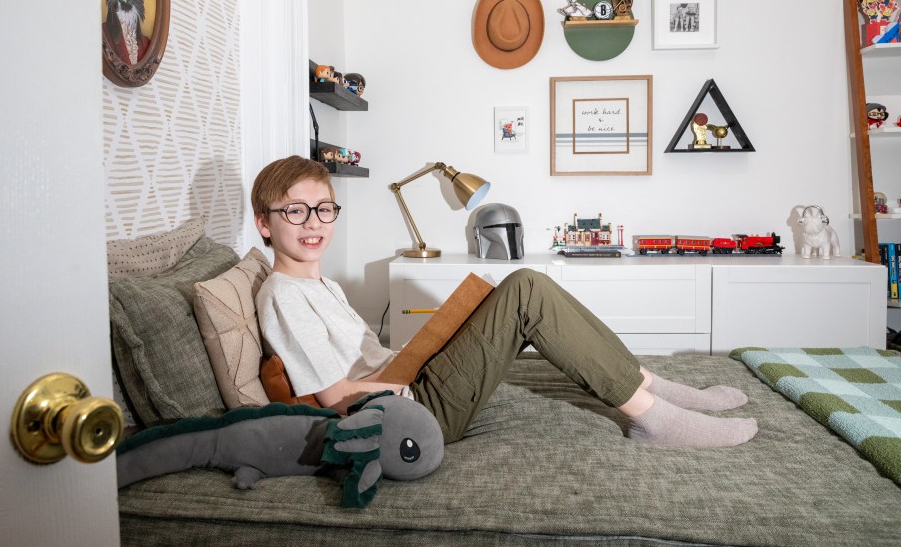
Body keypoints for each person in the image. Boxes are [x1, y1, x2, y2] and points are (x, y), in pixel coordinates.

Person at [253, 155, 758, 448]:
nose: (313, 222)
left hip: (412, 380)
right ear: (264, 225)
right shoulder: (282, 295)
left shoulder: (324, 286)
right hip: (410, 409)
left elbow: (367, 360)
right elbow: (338, 397)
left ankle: (651, 386)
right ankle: (656, 418)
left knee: (530, 286)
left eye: (322, 208)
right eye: (295, 211)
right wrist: (417, 364)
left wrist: (433, 346)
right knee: (525, 289)